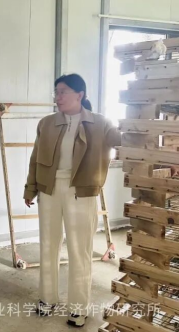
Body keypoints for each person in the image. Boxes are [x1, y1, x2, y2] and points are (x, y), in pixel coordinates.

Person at [24, 73, 121, 328]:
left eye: (63, 92)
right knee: (48, 245)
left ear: (80, 94)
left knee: (80, 250)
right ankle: (47, 298)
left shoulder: (100, 123)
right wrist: (30, 188)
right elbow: (35, 158)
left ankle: (79, 308)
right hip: (49, 190)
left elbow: (123, 141)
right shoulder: (46, 123)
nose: (58, 97)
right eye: (56, 92)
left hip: (82, 192)